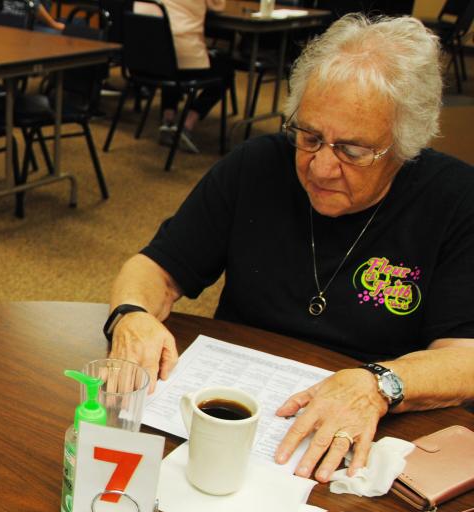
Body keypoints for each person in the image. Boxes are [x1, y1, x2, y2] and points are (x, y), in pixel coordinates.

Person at [106, 15, 474, 483]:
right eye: (309, 136)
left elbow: (466, 357)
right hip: (229, 422)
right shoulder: (255, 166)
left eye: (352, 151)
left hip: (365, 444)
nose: (320, 168)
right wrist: (132, 313)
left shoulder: (457, 200)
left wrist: (378, 384)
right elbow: (156, 267)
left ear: (405, 144)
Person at [133, 0, 230, 153]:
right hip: (183, 58)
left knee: (171, 58)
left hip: (147, 60)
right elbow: (219, 6)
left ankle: (168, 120)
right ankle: (186, 125)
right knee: (226, 70)